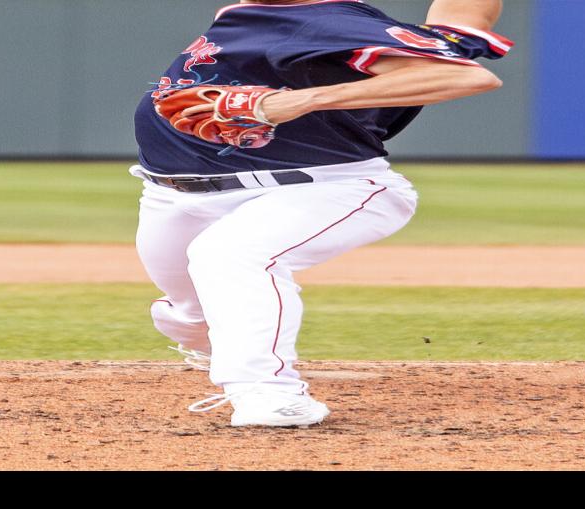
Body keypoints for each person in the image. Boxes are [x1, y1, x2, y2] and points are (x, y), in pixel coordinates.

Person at [130, 0, 510, 427]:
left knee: (231, 256)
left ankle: (270, 396)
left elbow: (466, 76)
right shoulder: (252, 14)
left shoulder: (323, 24)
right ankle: (223, 345)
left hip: (322, 186)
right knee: (192, 313)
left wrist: (295, 102)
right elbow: (462, 22)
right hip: (174, 195)